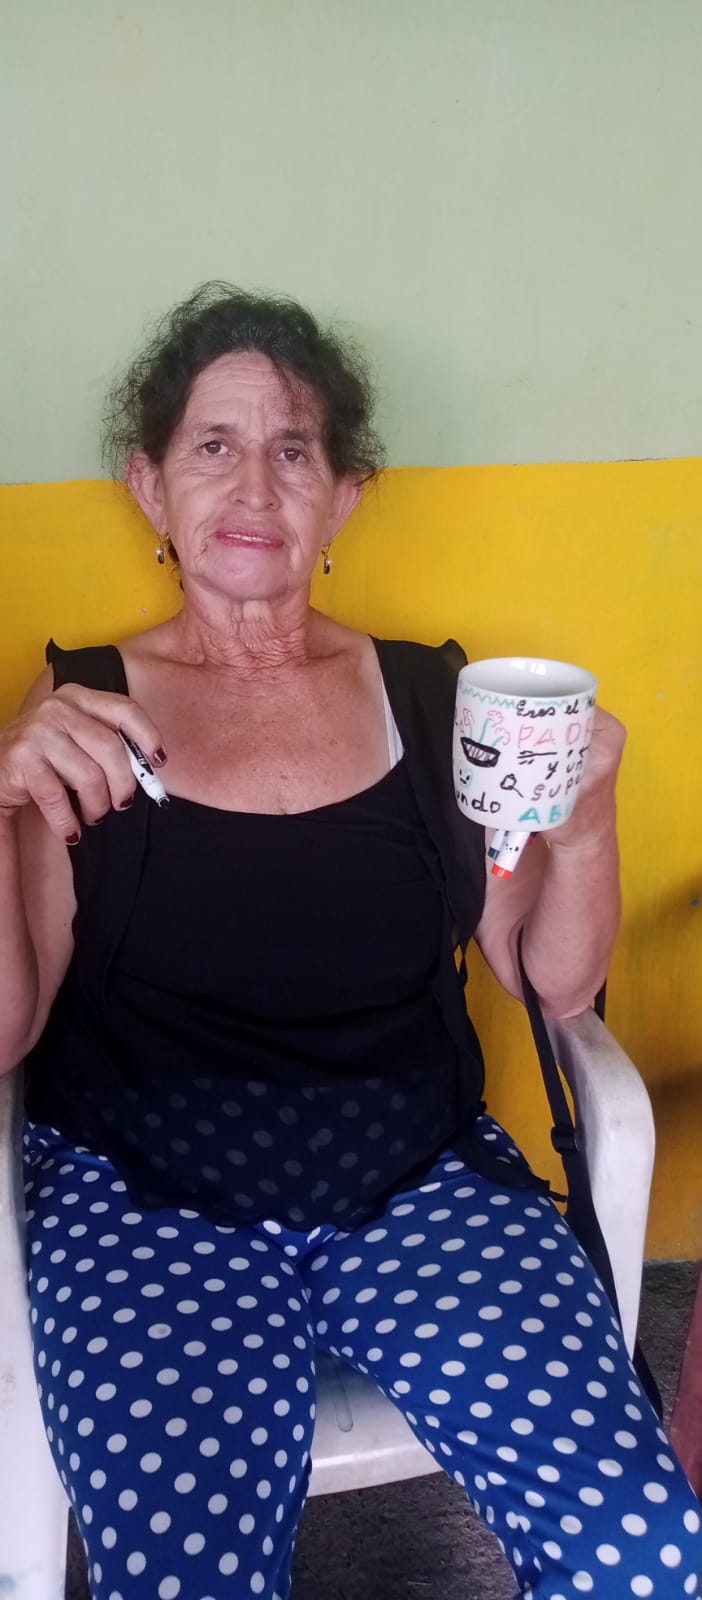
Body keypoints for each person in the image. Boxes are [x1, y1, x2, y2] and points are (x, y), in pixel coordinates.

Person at [0, 282, 699, 1600]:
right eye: (213, 446)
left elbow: (546, 977)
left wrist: (588, 818)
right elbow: (7, 1030)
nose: (253, 485)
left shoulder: (435, 696)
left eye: (293, 449)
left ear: (344, 496)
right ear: (150, 487)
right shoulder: (82, 704)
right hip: (148, 1203)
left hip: (419, 1184)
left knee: (644, 1547)